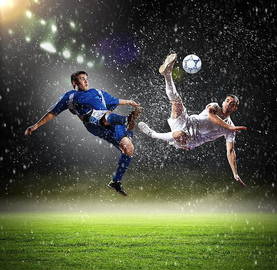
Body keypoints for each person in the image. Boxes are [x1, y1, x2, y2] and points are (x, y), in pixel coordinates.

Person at [25, 71, 142, 196]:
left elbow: (115, 100)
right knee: (104, 116)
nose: (86, 81)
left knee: (128, 149)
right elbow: (53, 112)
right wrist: (36, 125)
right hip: (94, 124)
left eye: (86, 78)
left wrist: (129, 101)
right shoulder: (70, 96)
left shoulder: (97, 92)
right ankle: (127, 120)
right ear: (74, 83)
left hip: (112, 123)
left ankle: (116, 181)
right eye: (82, 79)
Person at [138, 53, 247, 186]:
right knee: (176, 102)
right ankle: (167, 74)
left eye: (232, 103)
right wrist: (229, 127)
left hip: (191, 139)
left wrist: (235, 173)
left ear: (235, 108)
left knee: (179, 134)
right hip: (188, 121)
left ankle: (152, 134)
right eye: (227, 100)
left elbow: (230, 151)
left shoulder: (231, 128)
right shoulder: (215, 106)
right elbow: (212, 117)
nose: (228, 103)